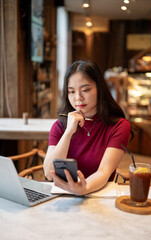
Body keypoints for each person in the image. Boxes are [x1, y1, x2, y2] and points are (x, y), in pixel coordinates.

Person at [43, 60, 130, 195]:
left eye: (85, 90)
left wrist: (84, 188)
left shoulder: (119, 126)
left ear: (99, 89)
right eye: (71, 91)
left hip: (98, 197)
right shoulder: (60, 126)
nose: (78, 98)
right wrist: (68, 133)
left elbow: (104, 171)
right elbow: (49, 174)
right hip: (61, 199)